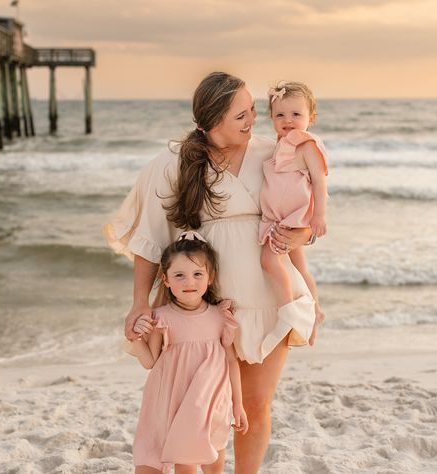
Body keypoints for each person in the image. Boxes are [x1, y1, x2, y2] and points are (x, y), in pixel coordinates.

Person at [104, 72, 320, 473]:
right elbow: (151, 241)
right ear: (214, 118)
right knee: (206, 408)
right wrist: (139, 303)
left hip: (269, 300)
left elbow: (302, 215)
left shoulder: (276, 153)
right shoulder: (173, 163)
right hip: (204, 309)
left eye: (253, 110)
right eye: (242, 114)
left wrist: (302, 254)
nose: (253, 119)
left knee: (254, 405)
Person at [127, 231, 248, 473]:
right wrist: (134, 337)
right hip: (175, 399)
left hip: (213, 398)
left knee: (214, 454)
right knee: (185, 459)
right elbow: (150, 362)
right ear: (166, 279)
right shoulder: (161, 318)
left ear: (210, 277)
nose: (189, 282)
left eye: (197, 274)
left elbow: (232, 361)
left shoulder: (221, 316)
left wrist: (238, 405)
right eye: (179, 275)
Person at [259, 82, 328, 345]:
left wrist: (318, 216)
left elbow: (320, 182)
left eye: (296, 115)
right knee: (300, 268)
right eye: (280, 115)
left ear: (311, 118)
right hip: (278, 218)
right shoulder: (280, 144)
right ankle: (316, 311)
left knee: (269, 260)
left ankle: (288, 311)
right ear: (271, 118)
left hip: (292, 218)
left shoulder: (307, 144)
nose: (288, 121)